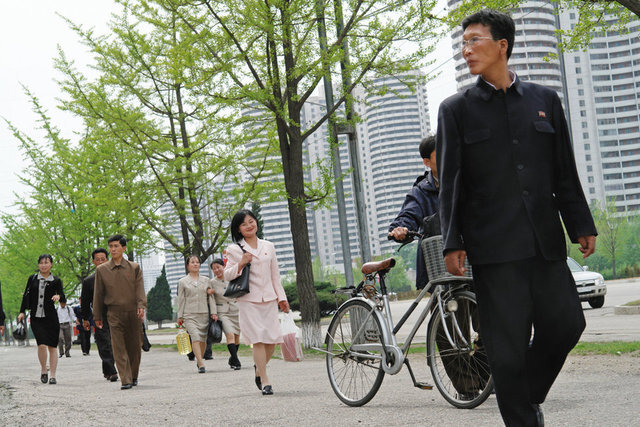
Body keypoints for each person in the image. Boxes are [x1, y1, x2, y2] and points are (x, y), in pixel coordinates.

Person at [436, 10, 596, 426]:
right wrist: (453, 241)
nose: (465, 50)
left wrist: (580, 223)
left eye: (474, 40)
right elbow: (451, 180)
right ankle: (523, 415)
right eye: (463, 42)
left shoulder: (545, 101)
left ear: (501, 45)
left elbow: (564, 168)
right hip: (494, 250)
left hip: (544, 242)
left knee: (566, 324)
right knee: (505, 350)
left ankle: (523, 398)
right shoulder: (456, 109)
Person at [224, 209, 290, 396]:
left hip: (269, 298)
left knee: (272, 340)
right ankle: (265, 380)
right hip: (248, 299)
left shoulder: (269, 245)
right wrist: (241, 263)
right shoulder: (234, 249)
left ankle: (258, 368)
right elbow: (227, 275)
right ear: (238, 229)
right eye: (244, 224)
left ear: (256, 222)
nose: (249, 225)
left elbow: (275, 275)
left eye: (251, 221)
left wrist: (282, 298)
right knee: (258, 339)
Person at [93, 235, 147, 390]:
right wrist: (97, 316)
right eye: (110, 246)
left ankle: (134, 375)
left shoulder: (134, 267)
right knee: (118, 347)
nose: (113, 249)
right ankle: (125, 379)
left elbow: (140, 289)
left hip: (133, 312)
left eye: (116, 246)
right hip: (113, 314)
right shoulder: (102, 270)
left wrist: (141, 305)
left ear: (124, 248)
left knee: (135, 346)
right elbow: (98, 294)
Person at [388, 135, 439, 289]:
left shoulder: (464, 181)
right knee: (443, 309)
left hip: (471, 259)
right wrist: (400, 229)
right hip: (437, 262)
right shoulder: (421, 192)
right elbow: (408, 214)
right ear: (427, 162)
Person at [18, 254, 66, 385]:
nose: (44, 265)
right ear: (38, 264)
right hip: (36, 317)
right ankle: (44, 369)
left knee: (52, 346)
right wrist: (21, 311)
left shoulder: (56, 280)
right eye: (41, 262)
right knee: (42, 345)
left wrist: (58, 296)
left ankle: (53, 375)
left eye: (47, 262)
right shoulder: (32, 279)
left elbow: (63, 297)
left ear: (51, 264)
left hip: (51, 318)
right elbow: (25, 295)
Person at [81, 248, 118, 382]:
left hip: (115, 313)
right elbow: (85, 302)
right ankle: (112, 371)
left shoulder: (115, 276)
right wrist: (85, 319)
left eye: (103, 259)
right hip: (99, 315)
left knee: (114, 342)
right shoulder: (88, 281)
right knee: (104, 342)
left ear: (108, 260)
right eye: (98, 259)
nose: (101, 262)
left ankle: (107, 369)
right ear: (93, 262)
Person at [176, 255, 218, 373]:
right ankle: (200, 362)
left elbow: (211, 298)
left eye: (197, 262)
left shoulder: (206, 280)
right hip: (189, 315)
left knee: (203, 340)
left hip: (203, 313)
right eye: (192, 262)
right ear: (188, 265)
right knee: (195, 337)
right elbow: (181, 300)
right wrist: (180, 316)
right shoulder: (182, 282)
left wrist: (213, 312)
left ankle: (200, 358)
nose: (195, 264)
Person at [209, 258, 241, 370]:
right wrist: (213, 313)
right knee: (230, 335)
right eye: (214, 269)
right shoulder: (212, 283)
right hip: (223, 312)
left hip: (236, 310)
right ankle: (236, 361)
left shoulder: (232, 278)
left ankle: (232, 358)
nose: (217, 270)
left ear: (224, 266)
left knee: (237, 337)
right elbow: (211, 299)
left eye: (218, 267)